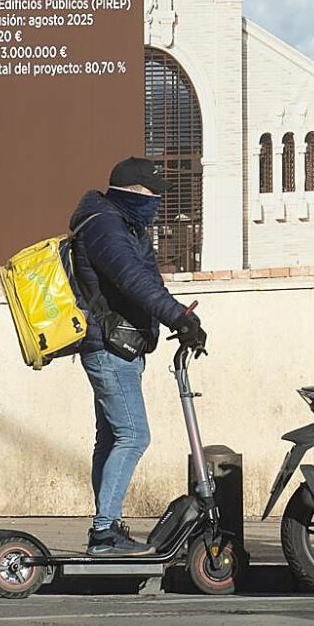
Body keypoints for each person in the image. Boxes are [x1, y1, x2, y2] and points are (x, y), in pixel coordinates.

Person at [70, 157, 207, 555]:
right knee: (134, 435)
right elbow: (131, 280)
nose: (157, 203)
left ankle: (108, 525)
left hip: (123, 345)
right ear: (130, 192)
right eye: (152, 195)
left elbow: (150, 280)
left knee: (111, 437)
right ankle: (103, 532)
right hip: (108, 348)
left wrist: (179, 317)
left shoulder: (126, 223)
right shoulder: (103, 225)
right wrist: (178, 318)